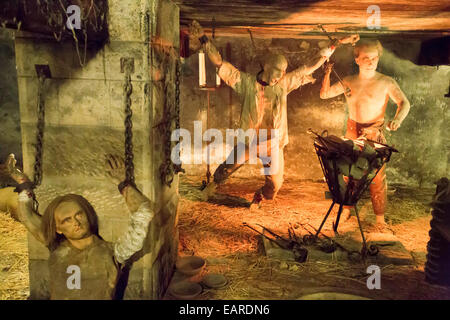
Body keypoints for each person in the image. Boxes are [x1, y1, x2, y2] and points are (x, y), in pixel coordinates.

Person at [189, 20, 359, 209]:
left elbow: (311, 65)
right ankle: (211, 187)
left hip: (272, 143)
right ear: (266, 67)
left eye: (284, 71)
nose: (281, 75)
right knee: (228, 166)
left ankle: (260, 196)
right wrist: (203, 39)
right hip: (250, 139)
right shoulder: (245, 83)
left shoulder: (283, 84)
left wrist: (335, 43)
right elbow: (220, 63)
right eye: (278, 71)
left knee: (276, 184)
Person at [3, 153, 154, 299]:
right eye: (66, 220)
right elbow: (27, 217)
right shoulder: (56, 246)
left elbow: (144, 214)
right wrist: (22, 183)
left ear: (87, 215)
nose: (76, 222)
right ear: (58, 229)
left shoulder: (115, 252)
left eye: (78, 215)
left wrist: (123, 184)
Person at [320, 39, 410, 227]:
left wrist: (397, 120)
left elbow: (405, 103)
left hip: (374, 133)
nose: (371, 61)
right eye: (366, 58)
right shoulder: (349, 81)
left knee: (376, 176)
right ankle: (346, 210)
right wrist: (327, 73)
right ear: (357, 59)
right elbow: (325, 94)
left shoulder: (386, 82)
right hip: (352, 132)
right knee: (349, 173)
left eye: (374, 58)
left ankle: (380, 219)